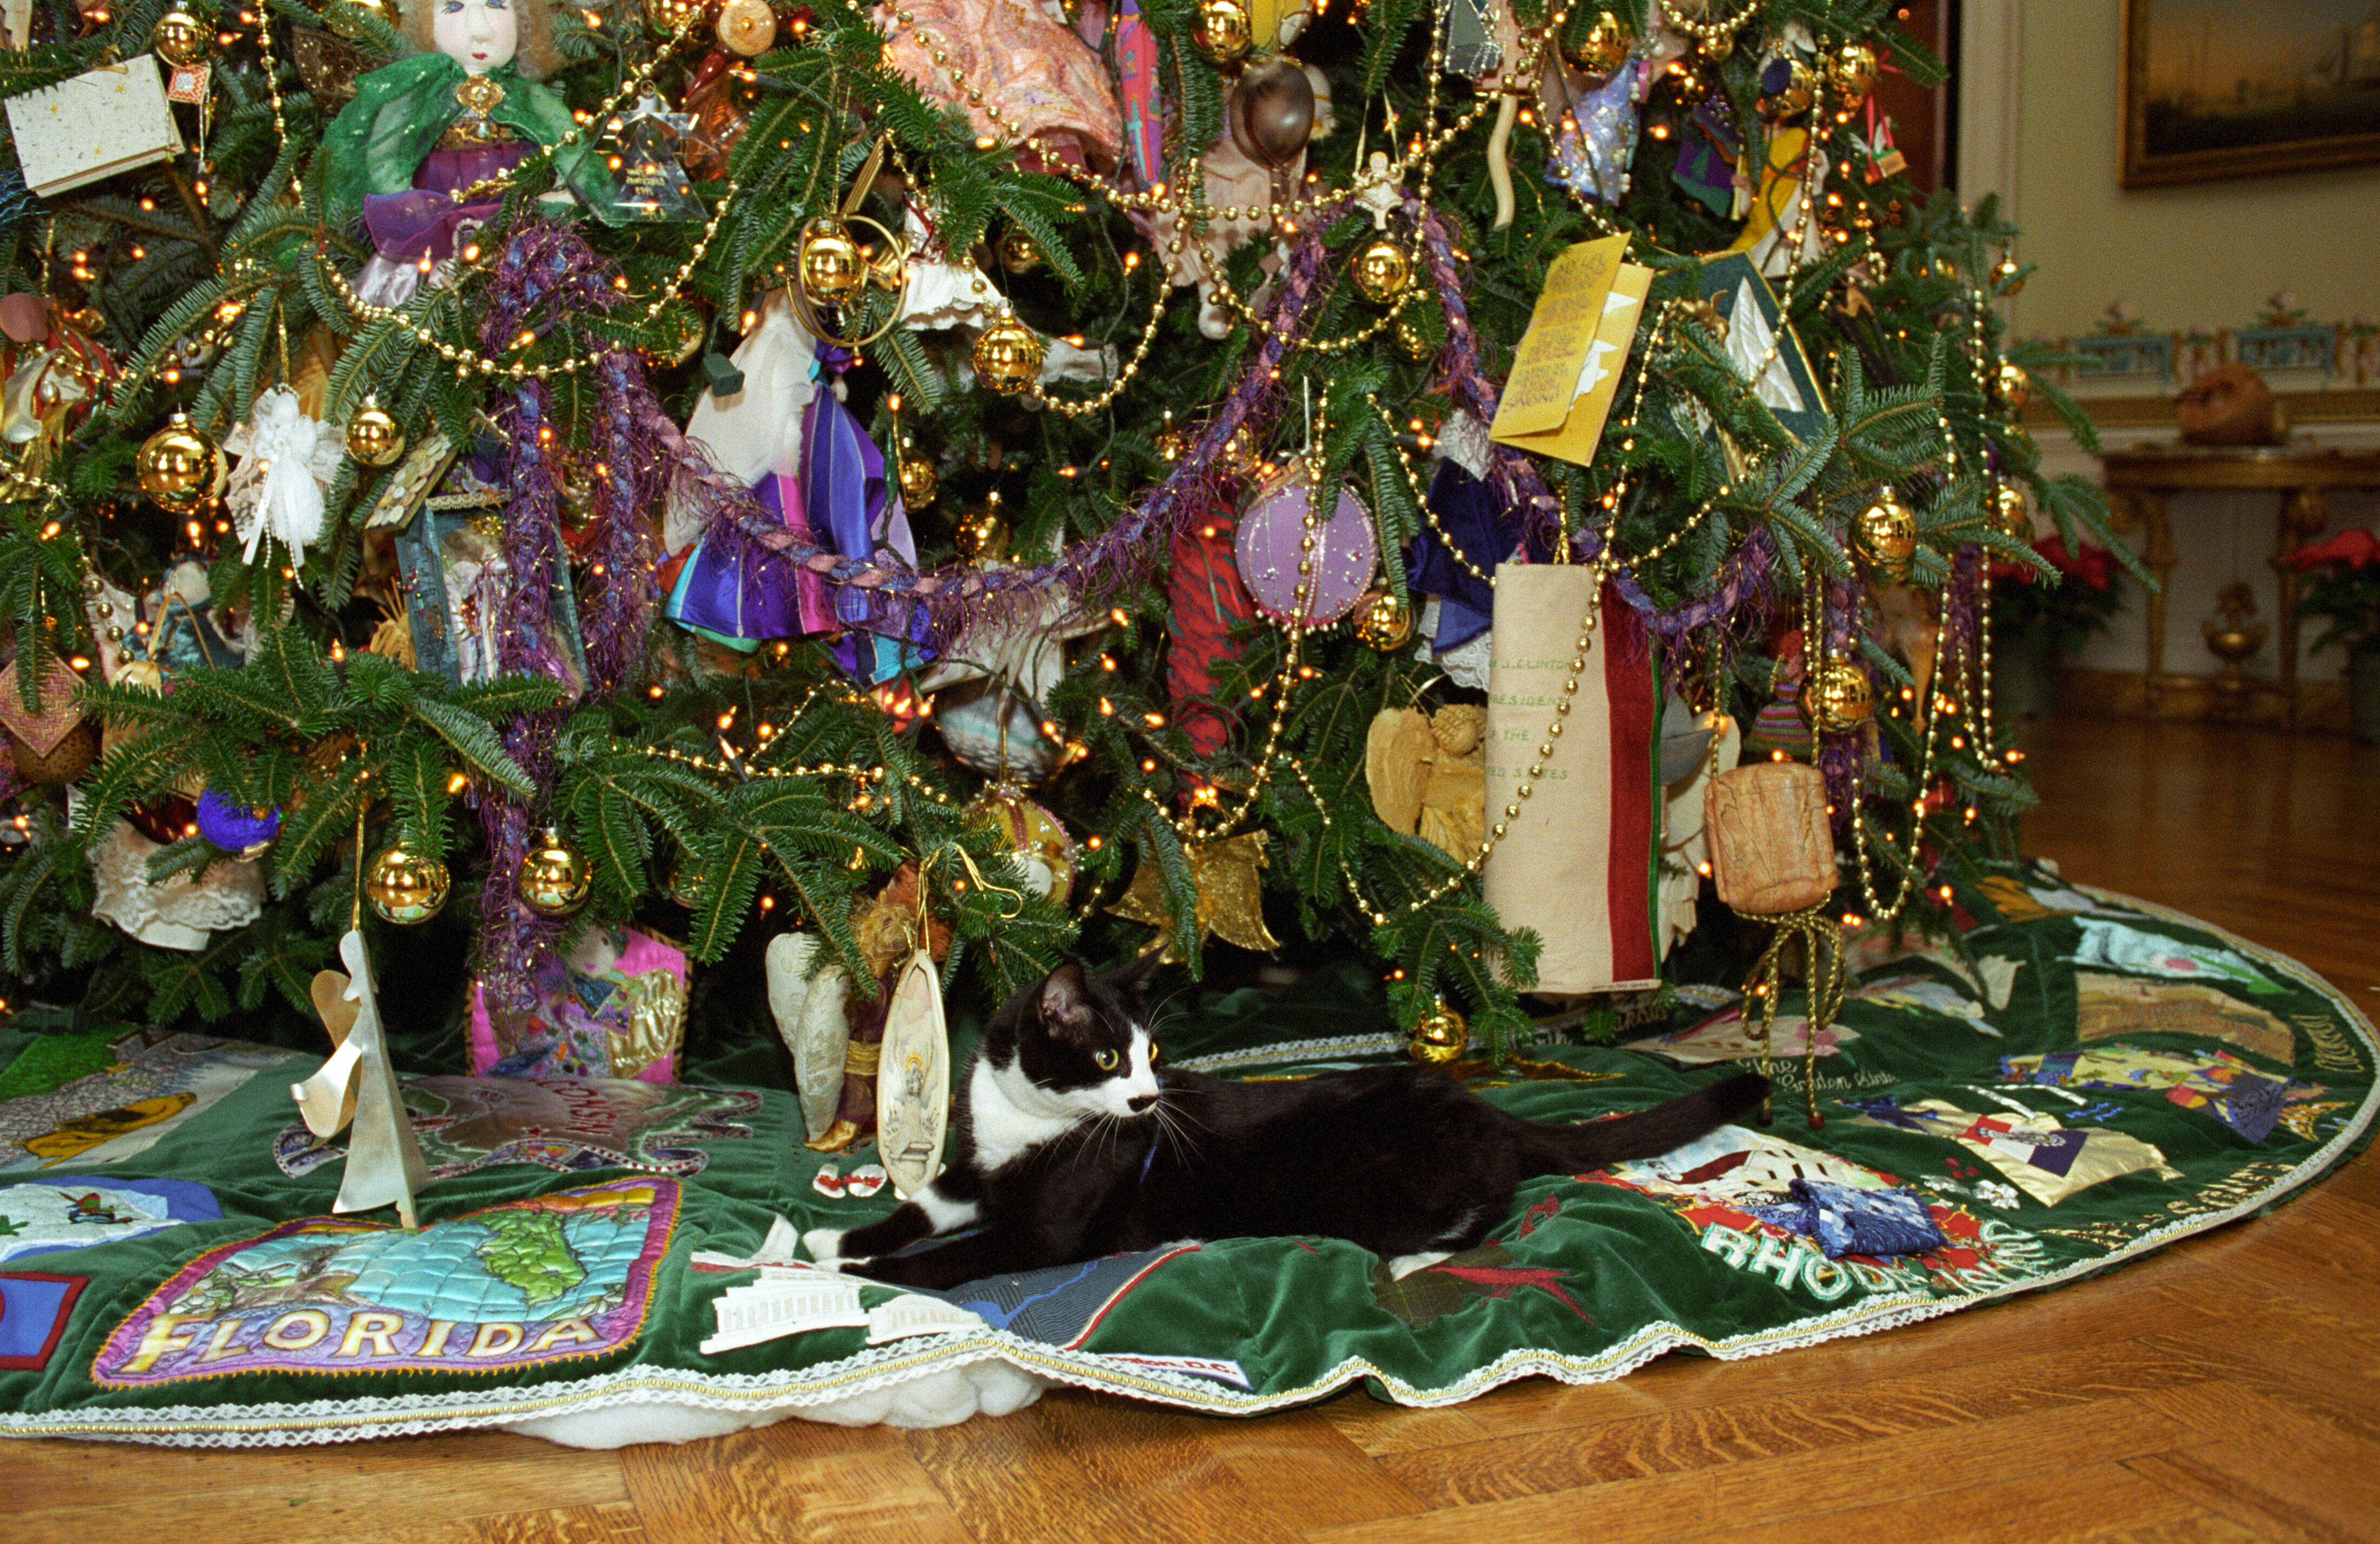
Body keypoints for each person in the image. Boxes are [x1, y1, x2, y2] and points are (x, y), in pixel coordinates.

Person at [320, 0, 600, 305]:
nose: (480, 31)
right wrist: (410, 210)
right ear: (426, 24)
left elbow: (575, 156)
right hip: (438, 228)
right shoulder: (419, 93)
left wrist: (561, 197)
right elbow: (385, 161)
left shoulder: (532, 98)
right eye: (454, 7)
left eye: (496, 5)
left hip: (523, 228)